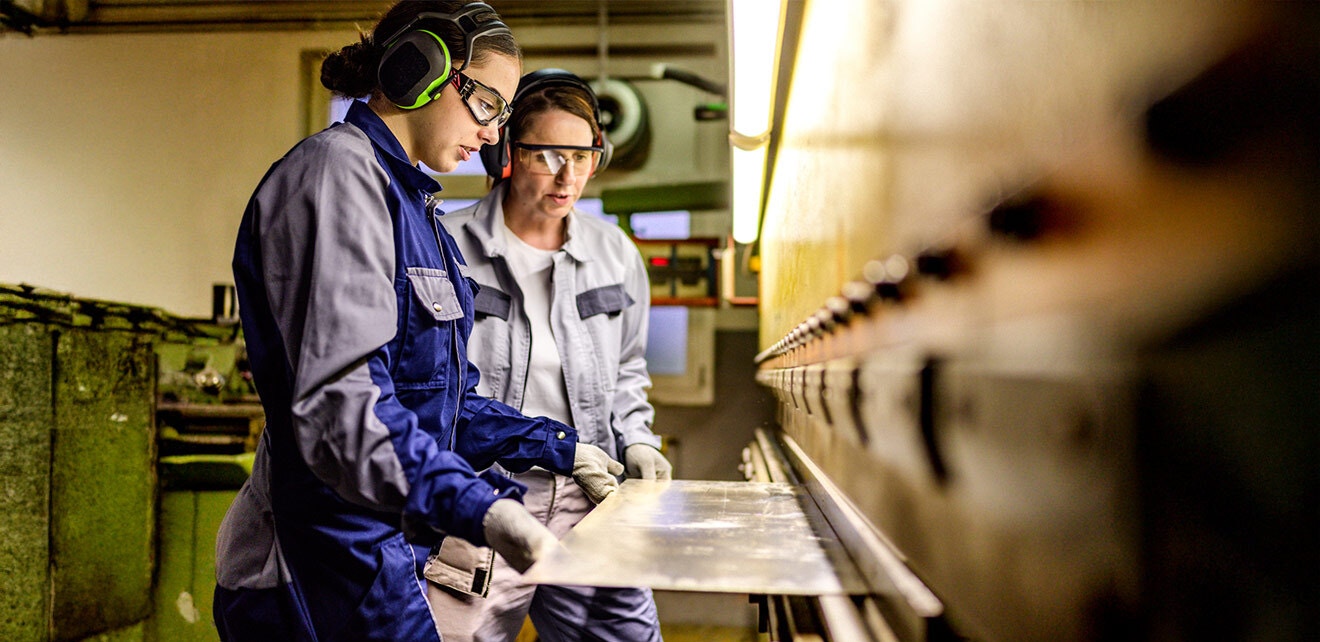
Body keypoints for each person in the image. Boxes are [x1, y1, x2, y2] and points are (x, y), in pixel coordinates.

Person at [212, 4, 624, 641]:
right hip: (312, 566)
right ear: (421, 69)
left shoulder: (417, 209)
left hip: (379, 552)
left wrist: (561, 446)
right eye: (487, 103)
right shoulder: (337, 177)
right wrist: (480, 507)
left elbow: (447, 406)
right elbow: (343, 414)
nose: (493, 136)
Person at [429, 69, 672, 642]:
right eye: (548, 155)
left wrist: (636, 436)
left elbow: (629, 368)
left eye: (583, 155)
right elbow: (434, 386)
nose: (568, 176)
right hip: (485, 499)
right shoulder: (445, 244)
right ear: (507, 153)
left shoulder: (614, 254)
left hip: (592, 497)